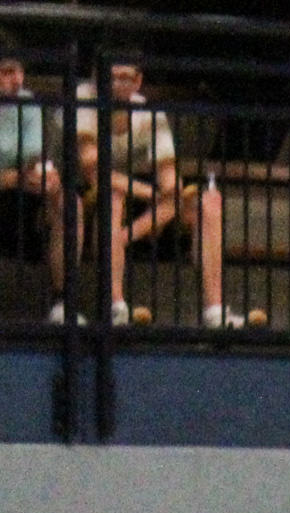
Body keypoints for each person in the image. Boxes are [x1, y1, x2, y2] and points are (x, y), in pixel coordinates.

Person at [74, 52, 245, 328]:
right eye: (110, 77)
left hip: (137, 200)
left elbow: (169, 178)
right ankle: (115, 307)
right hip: (80, 193)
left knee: (209, 203)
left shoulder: (149, 114)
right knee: (112, 196)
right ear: (96, 78)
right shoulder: (82, 99)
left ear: (138, 81)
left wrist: (169, 194)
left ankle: (215, 312)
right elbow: (93, 170)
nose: (117, 84)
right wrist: (154, 195)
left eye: (125, 77)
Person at [0, 31, 65, 315]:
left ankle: (62, 303)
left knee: (69, 203)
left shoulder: (28, 104)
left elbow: (32, 164)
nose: (18, 80)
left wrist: (44, 178)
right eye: (7, 72)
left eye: (20, 71)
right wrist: (8, 176)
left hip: (20, 198)